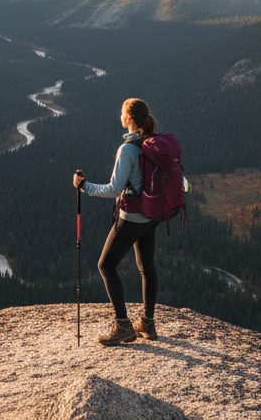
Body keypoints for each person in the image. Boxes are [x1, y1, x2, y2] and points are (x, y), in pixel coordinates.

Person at [72, 97, 161, 346]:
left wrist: (83, 187)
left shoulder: (128, 149)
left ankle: (123, 326)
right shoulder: (152, 144)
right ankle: (147, 323)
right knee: (146, 267)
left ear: (129, 118)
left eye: (122, 113)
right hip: (151, 216)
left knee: (106, 265)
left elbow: (114, 189)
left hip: (131, 216)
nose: (120, 116)